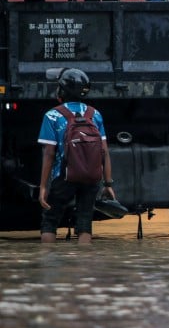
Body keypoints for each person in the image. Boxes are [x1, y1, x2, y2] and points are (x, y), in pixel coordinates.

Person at [38, 69, 116, 244]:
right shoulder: (94, 114)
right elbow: (104, 151)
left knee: (50, 222)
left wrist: (43, 187)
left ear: (62, 91)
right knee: (85, 222)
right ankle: (84, 269)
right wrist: (108, 183)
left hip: (63, 176)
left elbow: (49, 154)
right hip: (91, 177)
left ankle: (47, 267)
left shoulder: (52, 115)